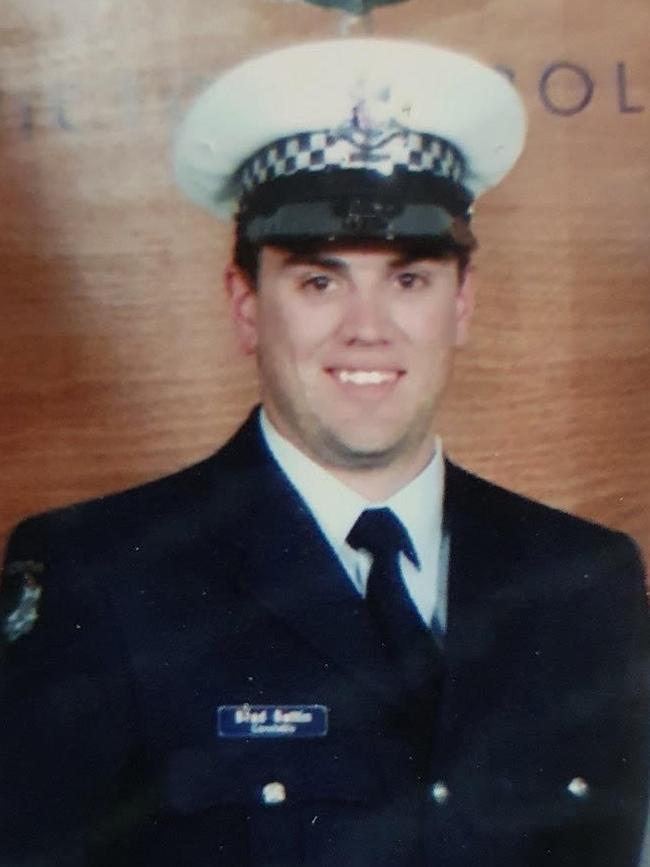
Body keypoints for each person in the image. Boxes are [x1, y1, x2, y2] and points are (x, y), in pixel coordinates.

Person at [0, 38, 648, 867]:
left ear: (462, 305)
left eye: (409, 279)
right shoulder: (103, 578)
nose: (368, 327)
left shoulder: (585, 581)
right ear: (244, 305)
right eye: (319, 281)